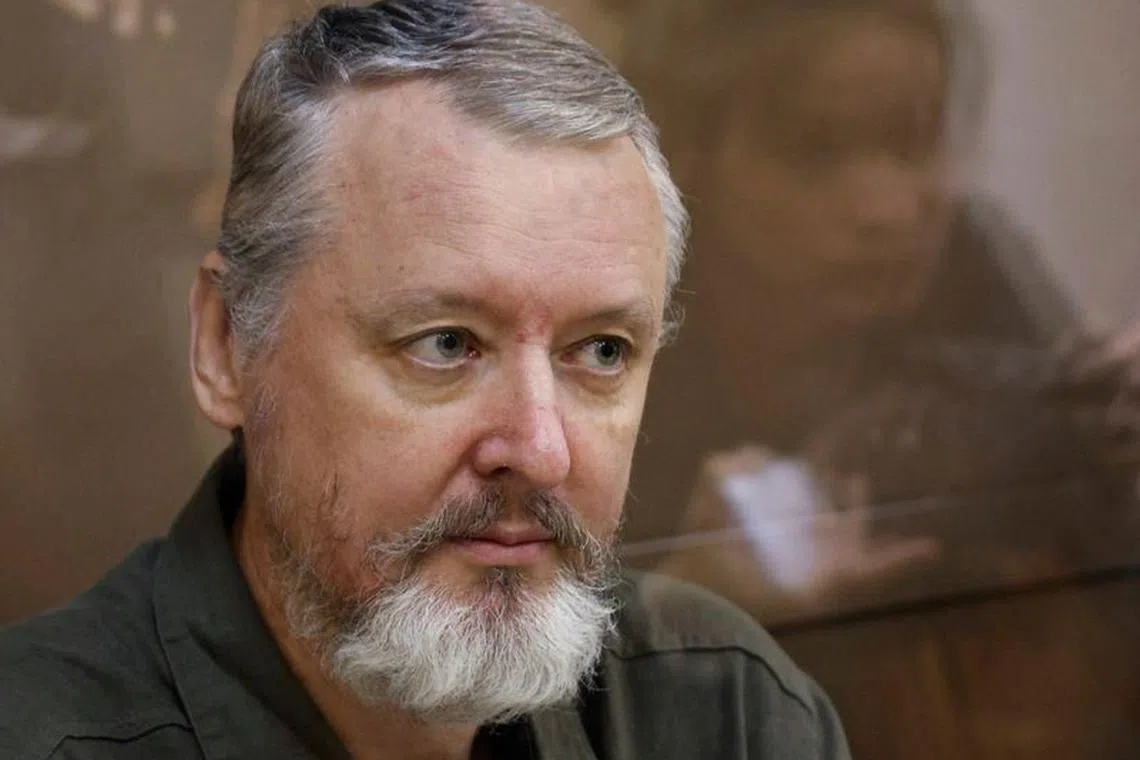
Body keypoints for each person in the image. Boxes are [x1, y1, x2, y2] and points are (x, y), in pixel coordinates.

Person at [0, 2, 851, 759]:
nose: (541, 450)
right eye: (445, 344)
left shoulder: (724, 715)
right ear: (227, 346)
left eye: (600, 352)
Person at [621, 0, 1138, 622]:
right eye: (814, 153)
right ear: (689, 162)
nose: (888, 209)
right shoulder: (622, 333)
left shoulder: (964, 258)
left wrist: (1108, 420)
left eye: (916, 144)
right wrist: (683, 601)